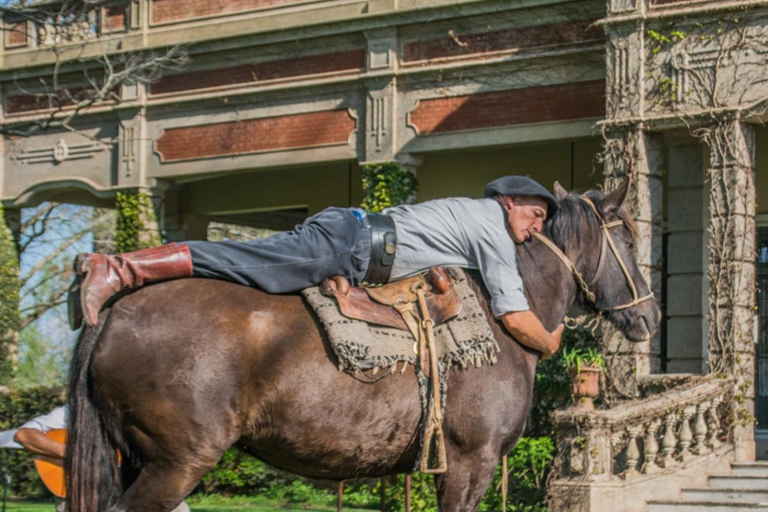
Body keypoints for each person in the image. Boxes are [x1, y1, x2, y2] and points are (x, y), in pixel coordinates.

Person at [75, 176, 565, 359]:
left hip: (353, 245)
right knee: (245, 262)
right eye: (533, 214)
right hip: (348, 245)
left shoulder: (469, 215)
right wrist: (549, 341)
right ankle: (119, 269)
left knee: (249, 268)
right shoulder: (491, 227)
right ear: (508, 202)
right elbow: (514, 316)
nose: (534, 227)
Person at [0, 405, 190, 512]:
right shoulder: (73, 411)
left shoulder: (139, 413)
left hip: (134, 487)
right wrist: (77, 453)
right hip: (83, 490)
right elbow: (24, 436)